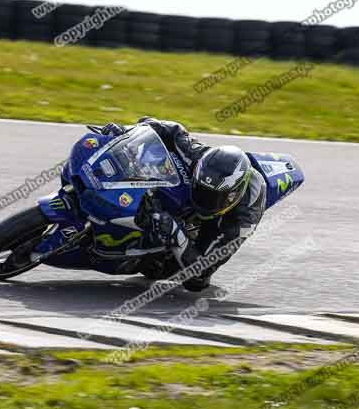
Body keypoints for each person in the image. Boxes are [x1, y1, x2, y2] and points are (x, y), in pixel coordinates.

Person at [100, 117, 266, 292]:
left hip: (222, 223)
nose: (203, 200)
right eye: (200, 190)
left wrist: (173, 230)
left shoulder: (240, 222)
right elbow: (170, 129)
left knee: (180, 275)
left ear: (232, 196)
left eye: (211, 197)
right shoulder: (198, 156)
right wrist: (126, 131)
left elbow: (199, 275)